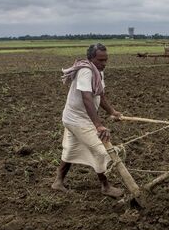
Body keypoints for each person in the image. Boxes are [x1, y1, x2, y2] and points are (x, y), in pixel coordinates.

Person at [52, 43, 124, 198]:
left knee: (71, 150)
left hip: (72, 119)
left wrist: (112, 111)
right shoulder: (86, 71)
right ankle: (105, 186)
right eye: (100, 60)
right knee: (101, 151)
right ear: (91, 59)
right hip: (77, 120)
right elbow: (87, 98)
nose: (104, 64)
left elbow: (100, 96)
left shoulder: (98, 72)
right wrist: (98, 125)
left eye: (106, 60)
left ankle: (58, 182)